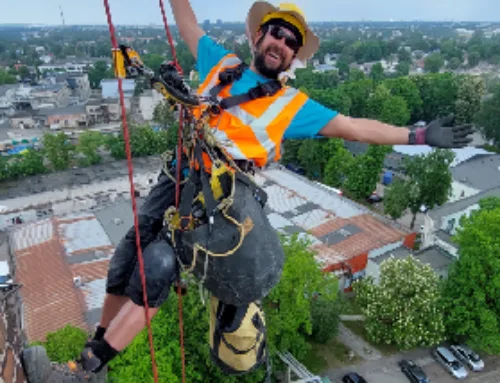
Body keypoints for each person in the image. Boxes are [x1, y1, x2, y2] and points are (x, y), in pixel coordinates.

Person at [72, 0, 473, 375]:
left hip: (217, 203)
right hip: (177, 177)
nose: (281, 43)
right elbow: (187, 21)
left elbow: (354, 127)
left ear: (294, 56)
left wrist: (417, 137)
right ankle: (99, 341)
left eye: (291, 42)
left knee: (157, 267)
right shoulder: (220, 63)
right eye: (276, 33)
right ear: (257, 37)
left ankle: (92, 364)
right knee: (125, 261)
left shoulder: (292, 106)